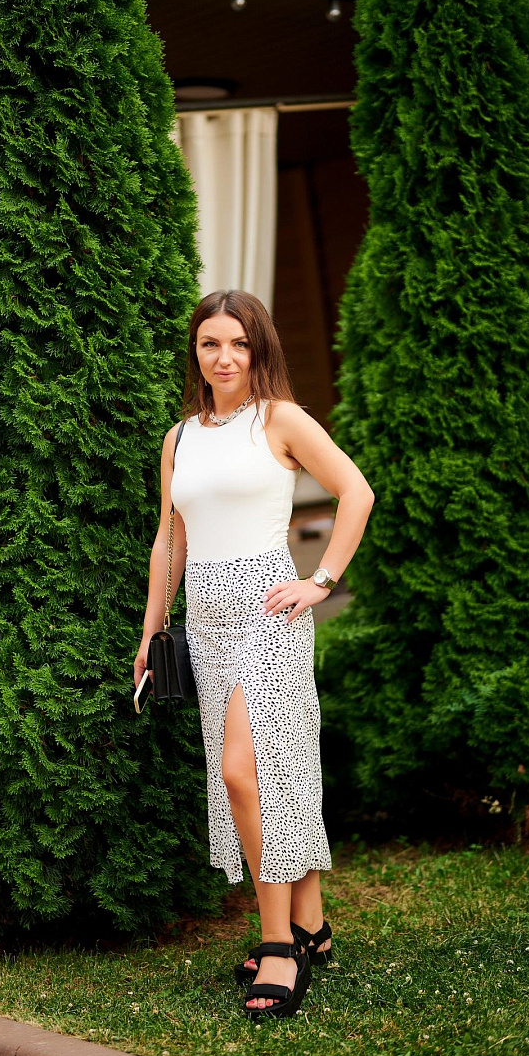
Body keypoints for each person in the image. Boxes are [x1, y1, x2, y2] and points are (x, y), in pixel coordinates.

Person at [133, 290, 374, 1019]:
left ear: (258, 347)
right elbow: (170, 536)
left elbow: (356, 492)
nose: (225, 357)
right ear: (195, 351)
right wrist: (150, 632)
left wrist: (320, 581)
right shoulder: (180, 437)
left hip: (271, 610)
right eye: (211, 343)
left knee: (248, 769)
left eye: (238, 343)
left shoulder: (281, 419)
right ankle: (311, 924)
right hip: (205, 618)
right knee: (266, 771)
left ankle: (277, 945)